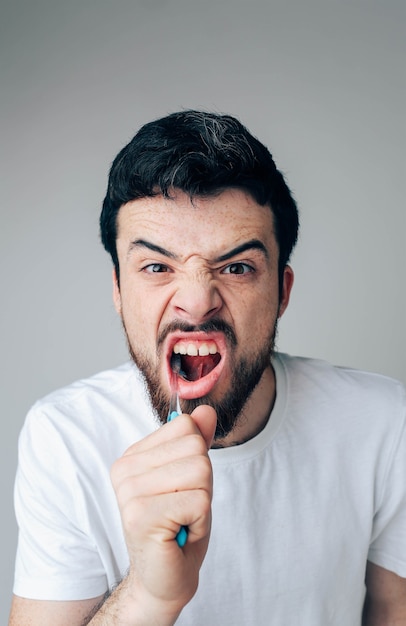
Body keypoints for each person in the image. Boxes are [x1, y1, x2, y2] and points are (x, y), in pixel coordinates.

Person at [9, 110, 406, 626]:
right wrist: (150, 596)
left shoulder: (383, 424)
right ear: (118, 291)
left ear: (282, 292)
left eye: (237, 267)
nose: (196, 304)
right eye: (157, 266)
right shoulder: (66, 438)